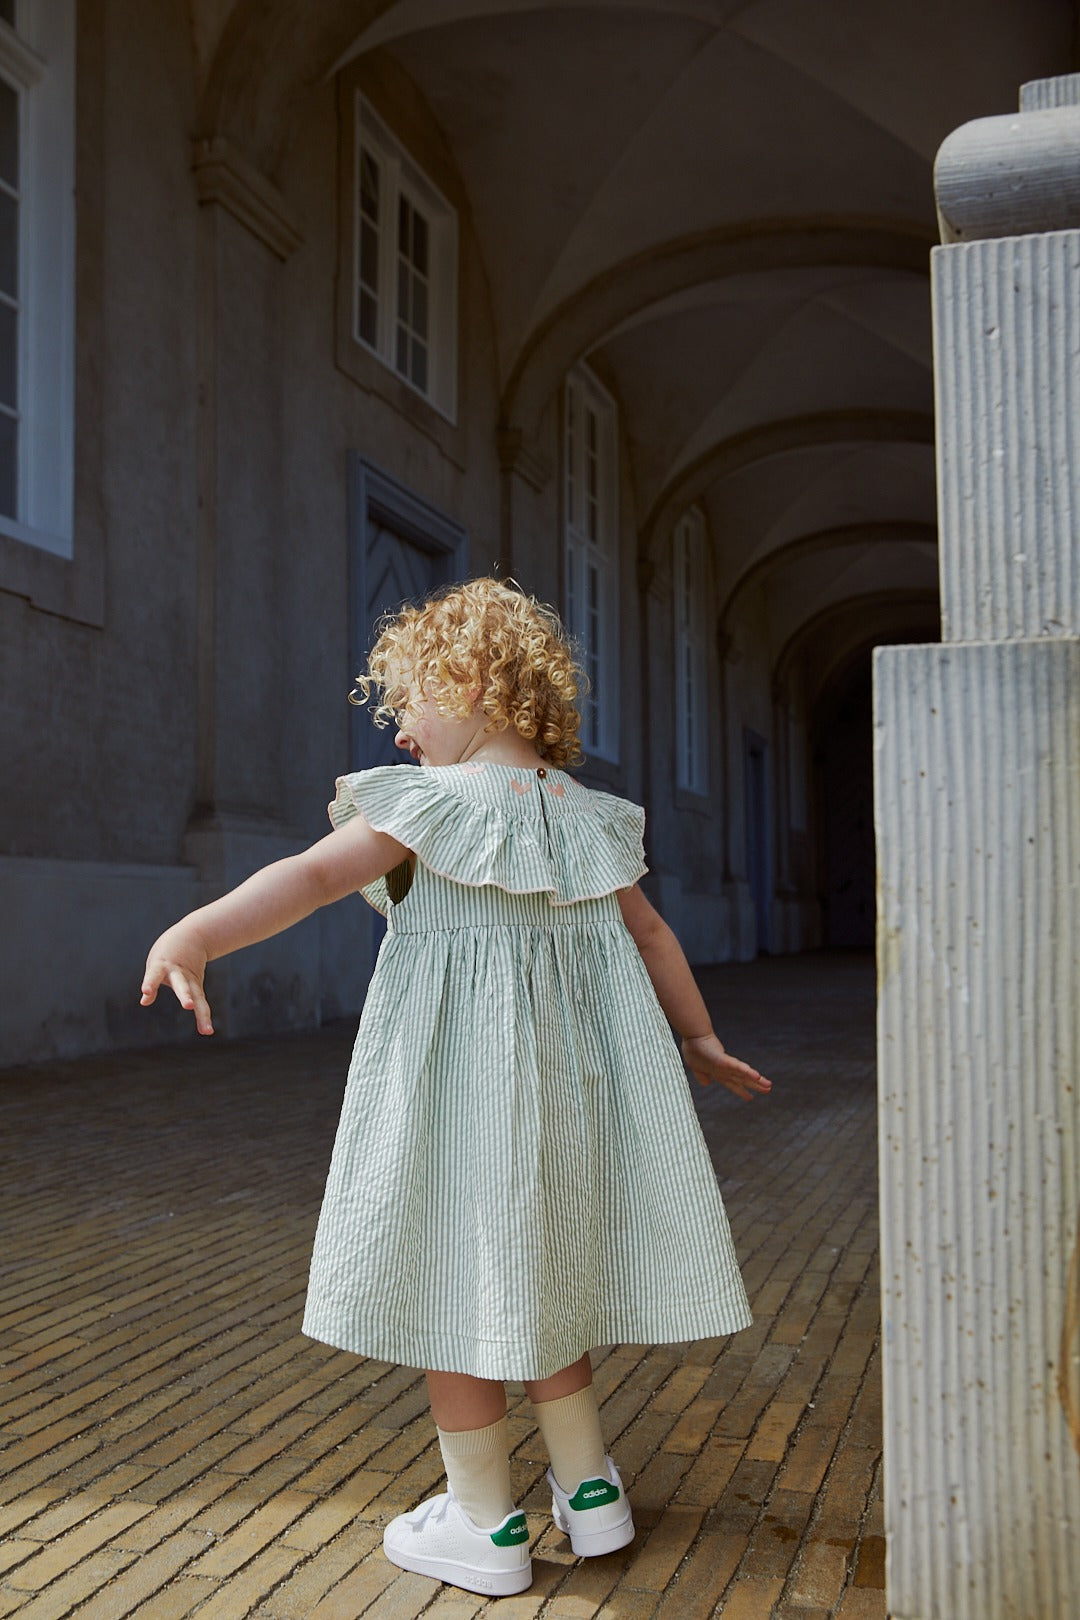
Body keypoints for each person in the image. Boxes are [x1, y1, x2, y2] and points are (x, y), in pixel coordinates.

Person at [141, 577, 771, 1599]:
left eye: (406, 705)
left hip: (458, 1099)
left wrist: (198, 931)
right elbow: (651, 936)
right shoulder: (588, 817)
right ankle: (591, 1496)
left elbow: (307, 877)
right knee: (545, 1281)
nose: (399, 735)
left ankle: (484, 1521)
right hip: (569, 1104)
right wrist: (697, 1037)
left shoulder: (426, 807)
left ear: (468, 680)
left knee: (456, 1287)